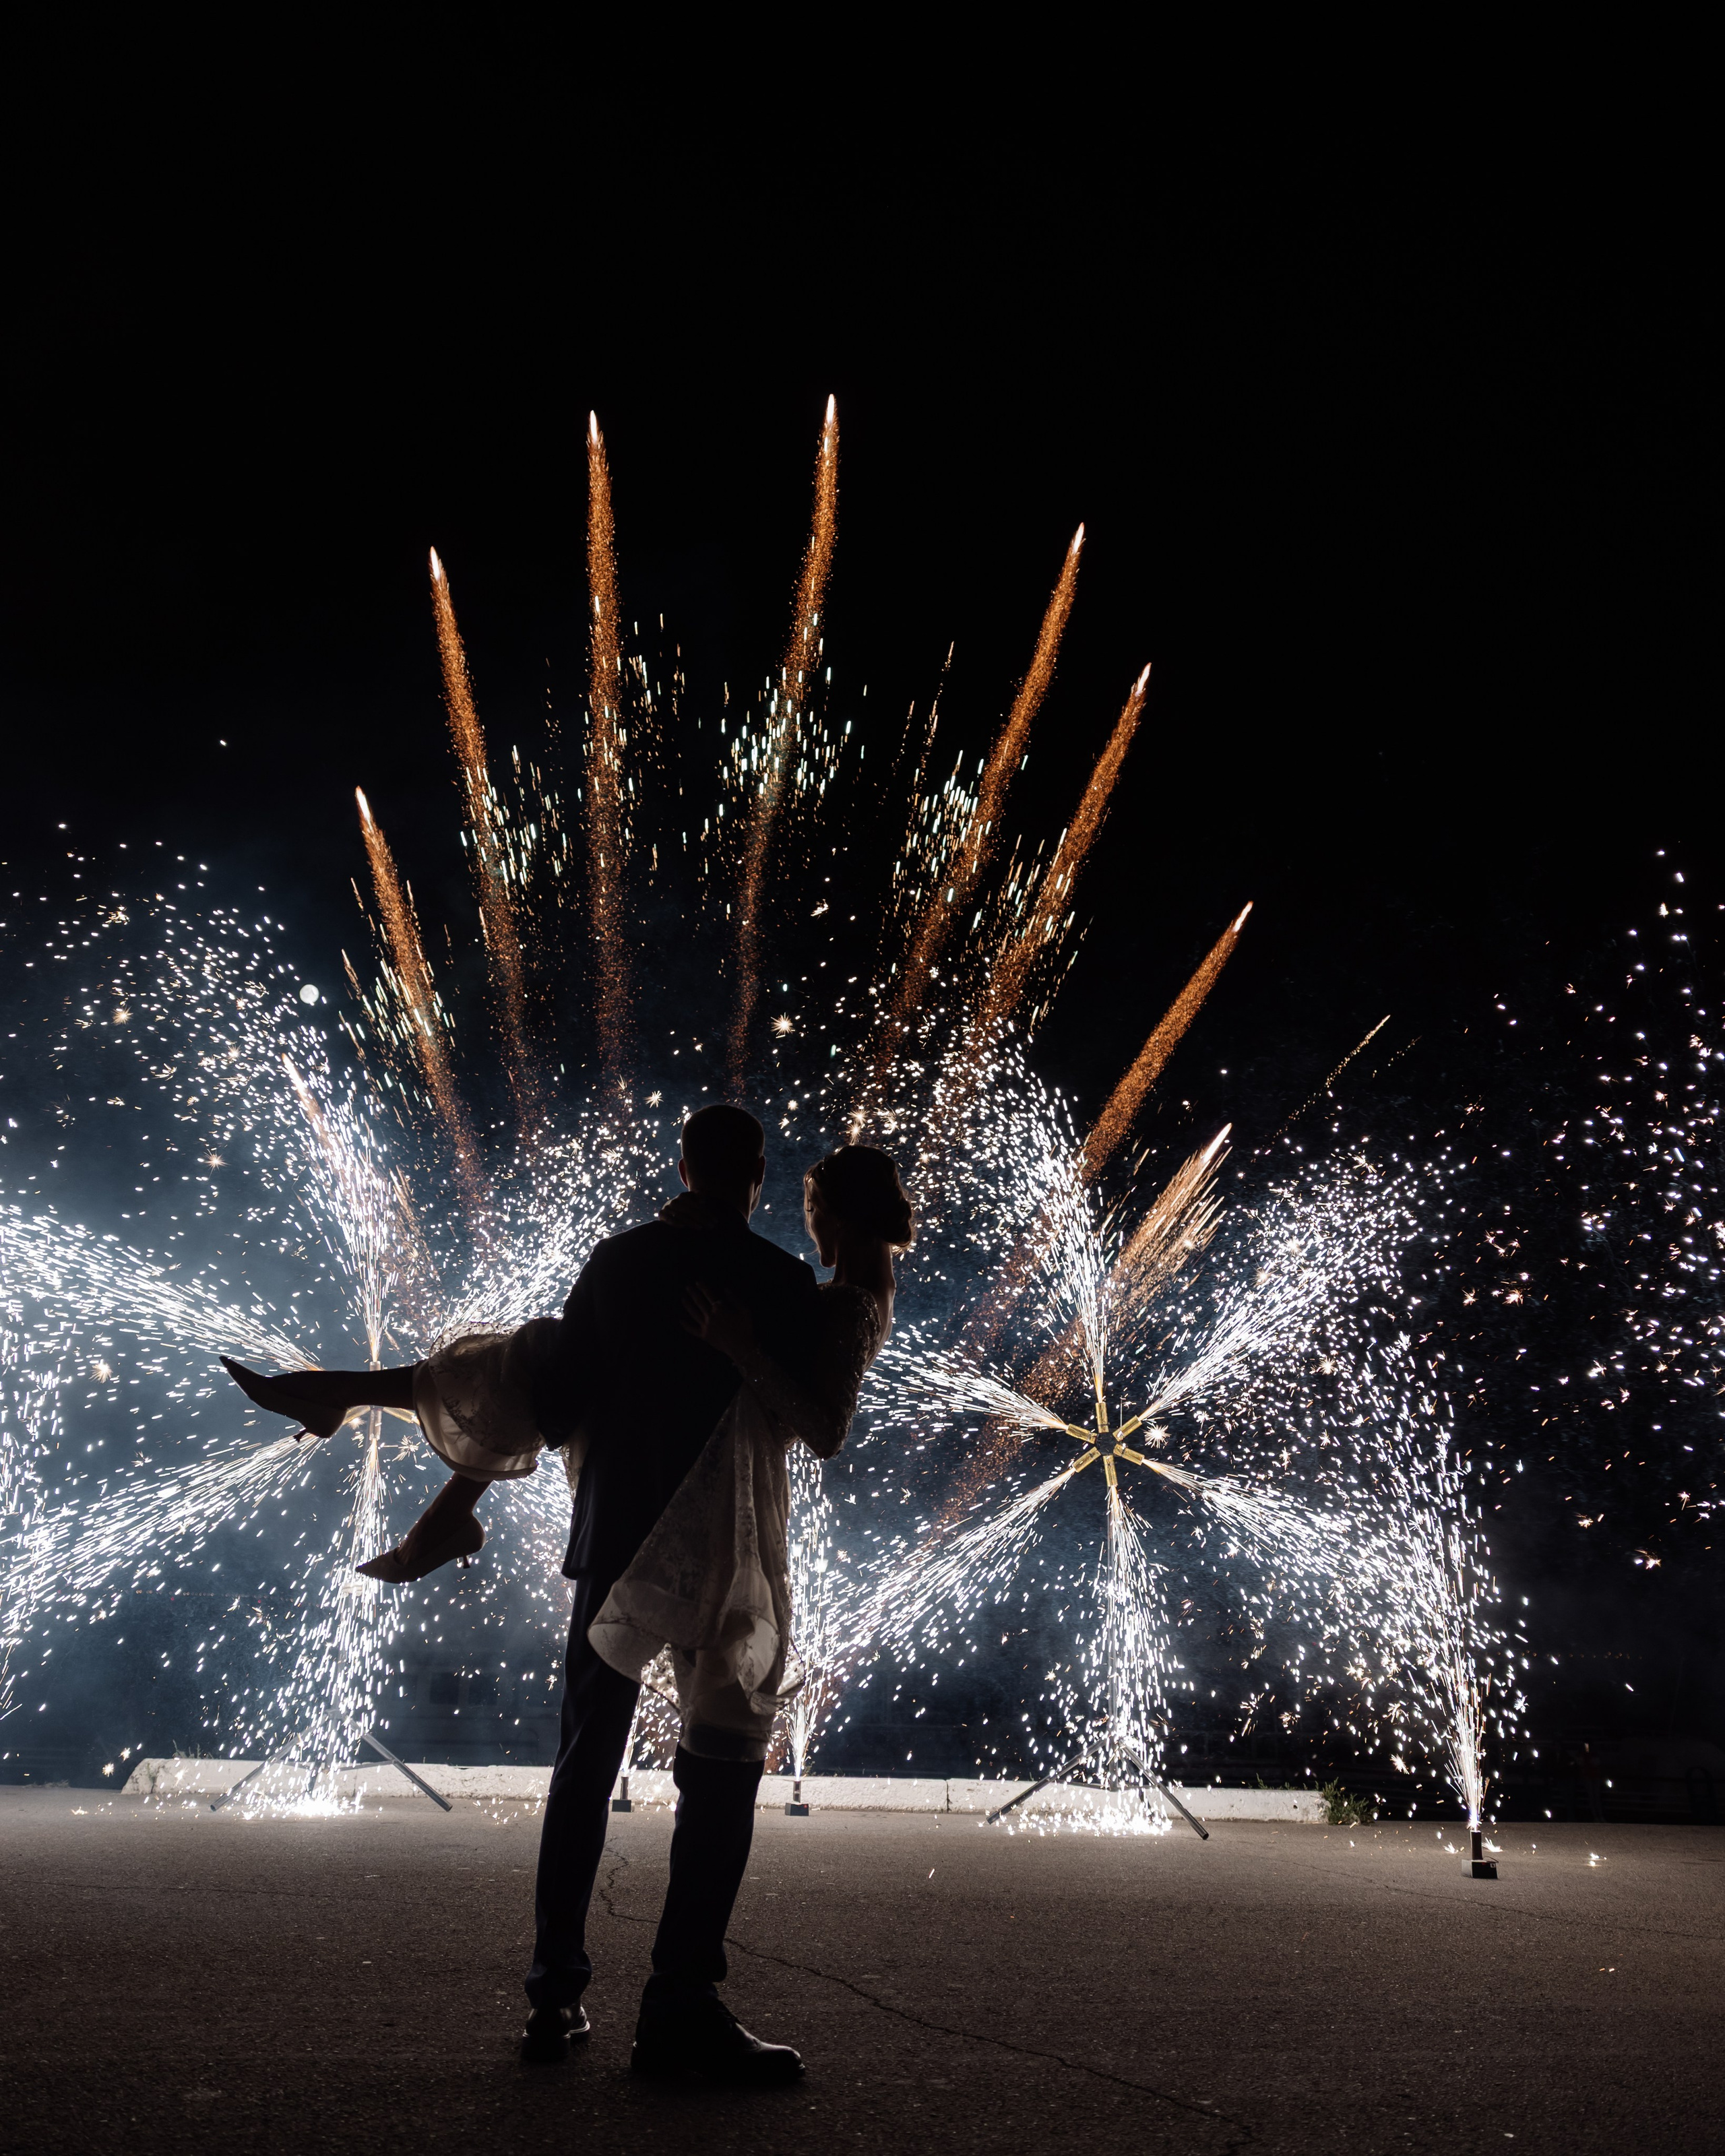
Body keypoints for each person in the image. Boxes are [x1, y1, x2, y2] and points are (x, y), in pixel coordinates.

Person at [222, 1109, 913, 2085]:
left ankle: (555, 1996)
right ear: (757, 1175)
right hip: (722, 1555)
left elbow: (552, 1400)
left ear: (682, 1164)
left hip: (614, 1540)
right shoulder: (780, 1281)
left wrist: (462, 1471)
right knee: (718, 1775)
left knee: (586, 1763)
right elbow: (801, 1418)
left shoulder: (619, 1263)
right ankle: (680, 2005)